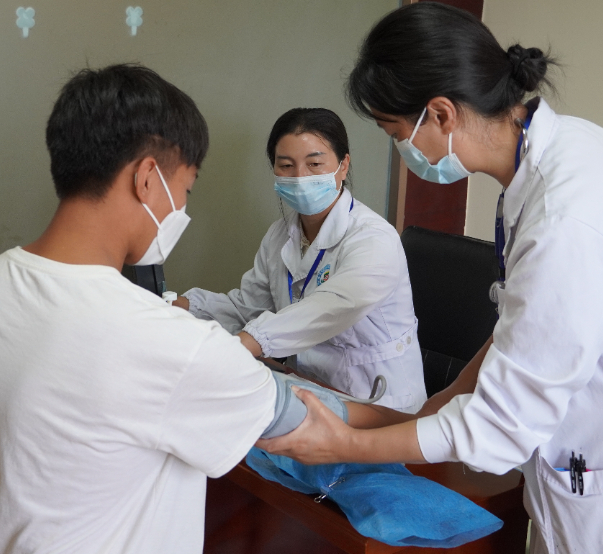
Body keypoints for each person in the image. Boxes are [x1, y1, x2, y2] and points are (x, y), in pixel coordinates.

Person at [259, 2, 603, 554]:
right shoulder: (554, 158)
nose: (401, 151)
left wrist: (346, 443)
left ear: (440, 114)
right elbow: (518, 331)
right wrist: (428, 408)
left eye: (396, 134)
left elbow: (497, 431)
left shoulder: (567, 218)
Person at [0, 64, 279, 554]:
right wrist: (418, 423)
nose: (182, 210)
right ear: (147, 179)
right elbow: (295, 422)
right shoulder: (163, 341)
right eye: (185, 191)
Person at [175, 107, 426, 412]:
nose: (299, 177)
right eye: (286, 165)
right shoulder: (280, 234)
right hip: (310, 392)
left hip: (377, 402)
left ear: (343, 166)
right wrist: (185, 306)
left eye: (314, 164)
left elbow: (331, 307)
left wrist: (245, 344)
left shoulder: (373, 238)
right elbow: (249, 307)